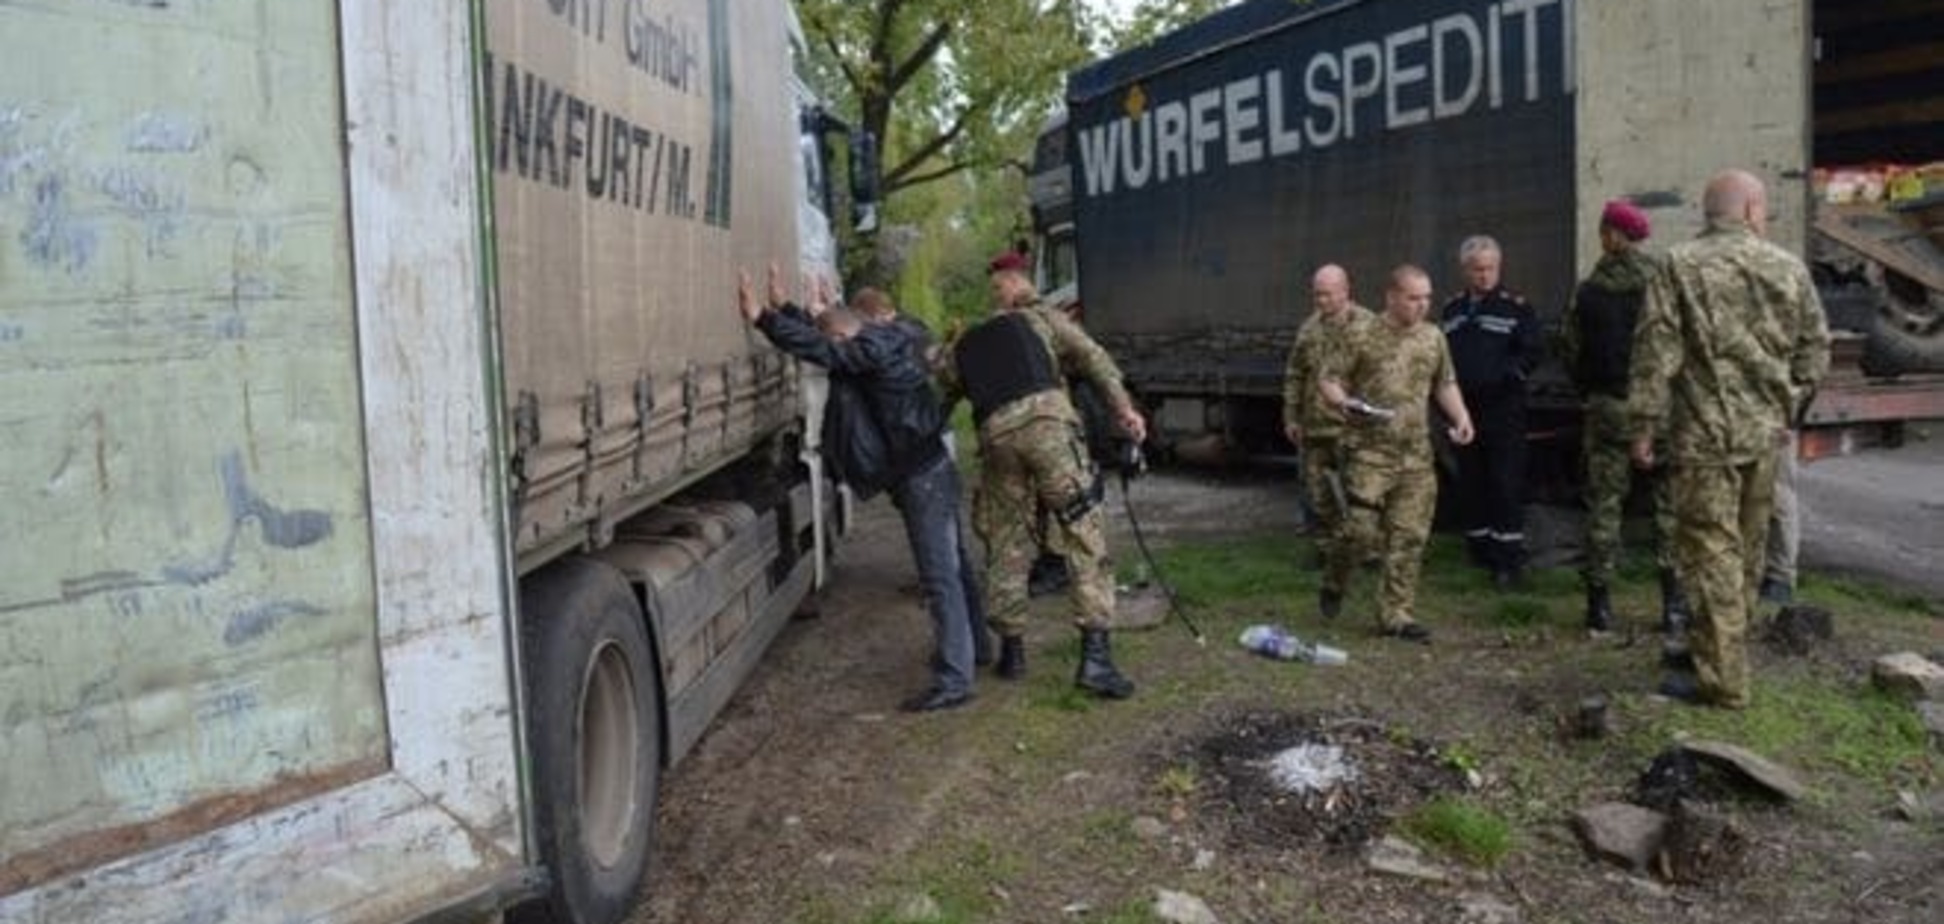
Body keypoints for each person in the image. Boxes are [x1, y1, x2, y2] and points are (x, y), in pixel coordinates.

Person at [736, 267, 983, 712]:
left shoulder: (868, 350)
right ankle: (974, 651)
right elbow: (828, 340)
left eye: (836, 342)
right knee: (955, 566)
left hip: (922, 478)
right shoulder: (889, 337)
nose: (835, 351)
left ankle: (956, 677)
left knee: (940, 575)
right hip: (930, 469)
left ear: (849, 336)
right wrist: (794, 311)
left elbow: (829, 351)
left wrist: (764, 319)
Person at [1627, 169, 1831, 709]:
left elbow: (1656, 355)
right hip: (1764, 437)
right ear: (1752, 210)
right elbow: (1816, 350)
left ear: (1709, 212)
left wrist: (1643, 425)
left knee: (1711, 551)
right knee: (1745, 550)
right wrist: (1789, 406)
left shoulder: (1679, 265)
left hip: (1704, 438)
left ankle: (1721, 679)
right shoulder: (1788, 268)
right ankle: (1715, 651)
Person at [938, 253, 1147, 699]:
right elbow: (1094, 360)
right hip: (1049, 430)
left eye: (998, 288)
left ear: (1014, 281)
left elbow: (941, 389)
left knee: (1006, 541)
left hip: (997, 438)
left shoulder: (969, 341)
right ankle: (1095, 659)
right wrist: (1125, 411)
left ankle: (1012, 652)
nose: (996, 296)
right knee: (1083, 534)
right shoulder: (1046, 319)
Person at [1319, 265, 1477, 641]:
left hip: (1416, 456)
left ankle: (1396, 614)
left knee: (1409, 536)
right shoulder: (1361, 334)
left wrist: (1461, 416)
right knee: (1359, 533)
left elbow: (1445, 383)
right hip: (1369, 453)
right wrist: (1344, 401)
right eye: (1413, 298)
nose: (1422, 306)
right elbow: (1329, 379)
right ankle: (1335, 577)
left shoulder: (1432, 337)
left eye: (1427, 298)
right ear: (1391, 296)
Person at [1558, 200, 1688, 638]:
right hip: (1660, 412)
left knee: (1604, 507)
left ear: (1613, 236)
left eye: (1603, 230)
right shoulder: (1662, 281)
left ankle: (1599, 607)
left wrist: (1589, 391)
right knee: (1669, 509)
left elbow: (1570, 348)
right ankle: (1673, 606)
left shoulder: (1590, 290)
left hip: (1607, 411)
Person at [1440, 236, 1543, 588]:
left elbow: (1532, 351)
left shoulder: (1516, 308)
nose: (1484, 275)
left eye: (1490, 268)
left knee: (1504, 482)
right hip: (1464, 409)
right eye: (1477, 269)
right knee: (1471, 480)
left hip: (1503, 409)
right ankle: (1479, 547)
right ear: (1465, 270)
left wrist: (1508, 376)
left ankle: (1508, 559)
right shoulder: (1452, 310)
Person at [1281, 264, 1375, 575]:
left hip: (1352, 426)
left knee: (1361, 493)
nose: (1321, 301)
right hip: (1314, 427)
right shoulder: (1309, 328)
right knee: (1318, 494)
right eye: (1316, 294)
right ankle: (1328, 551)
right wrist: (1292, 416)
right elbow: (1295, 374)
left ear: (1345, 290)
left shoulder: (1368, 326)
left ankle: (1369, 551)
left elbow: (1381, 377)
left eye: (1327, 294)